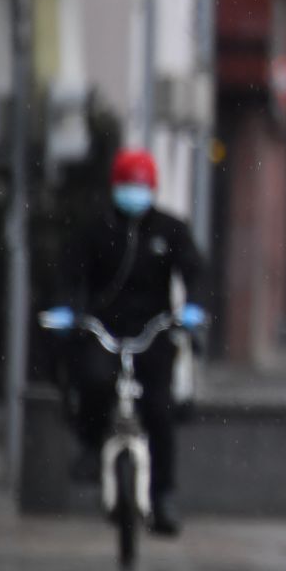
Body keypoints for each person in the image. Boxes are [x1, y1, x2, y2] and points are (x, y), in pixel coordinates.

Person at [53, 148, 208, 536]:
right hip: (104, 329)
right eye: (128, 184)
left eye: (141, 184)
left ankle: (163, 497)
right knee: (93, 381)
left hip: (151, 332)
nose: (134, 192)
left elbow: (195, 273)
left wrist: (193, 310)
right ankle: (90, 445)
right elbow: (70, 274)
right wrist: (69, 311)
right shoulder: (95, 229)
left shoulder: (171, 229)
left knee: (159, 411)